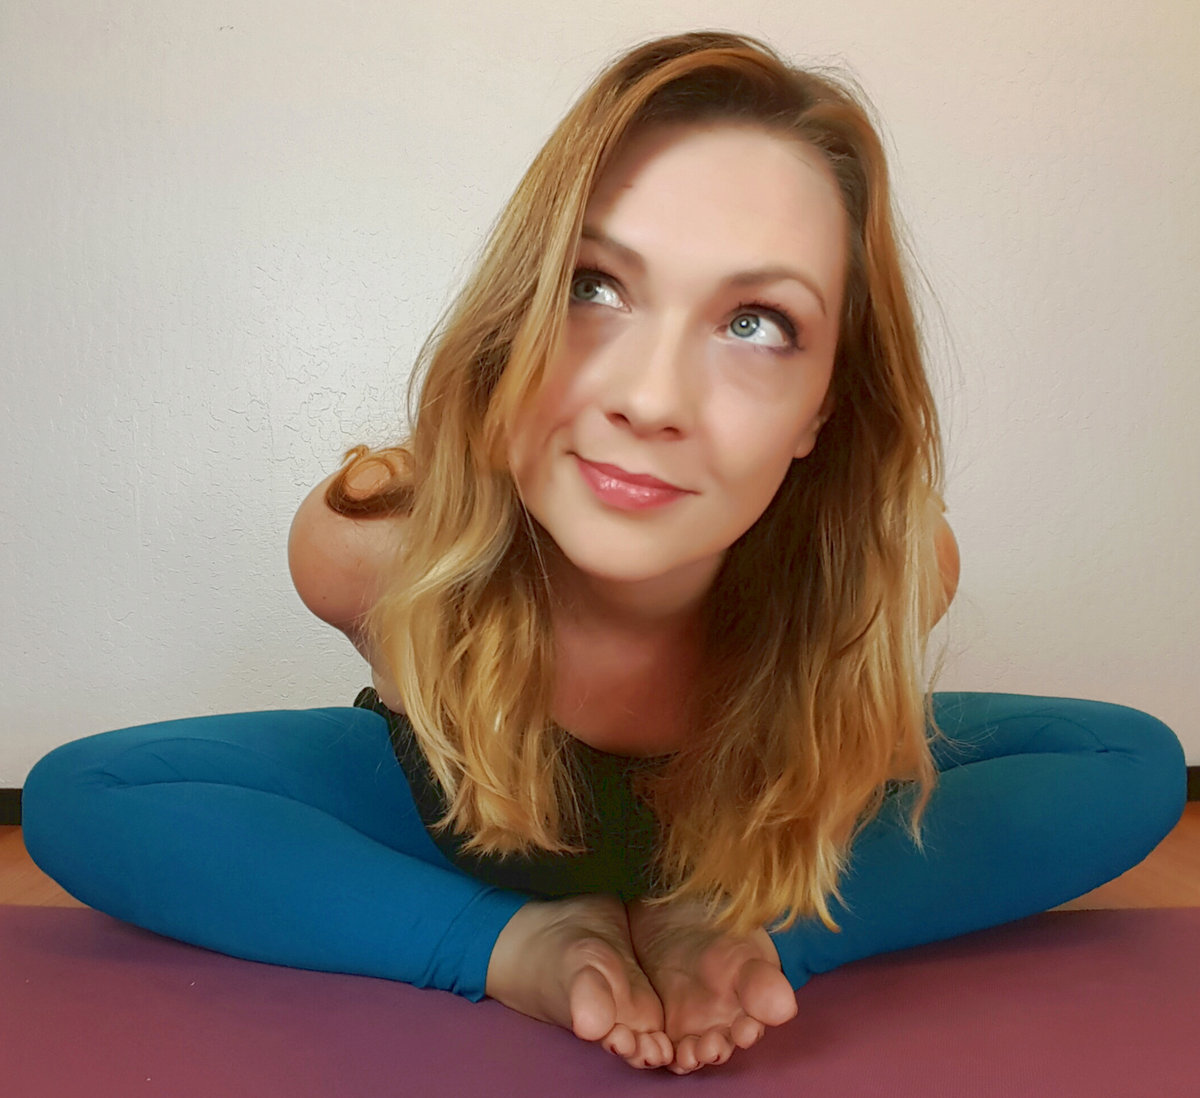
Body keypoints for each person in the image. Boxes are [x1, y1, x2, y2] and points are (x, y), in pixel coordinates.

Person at [22, 31, 1185, 1075]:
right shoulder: (371, 551)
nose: (652, 398)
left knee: (1128, 760)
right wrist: (497, 946)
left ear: (824, 409)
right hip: (458, 839)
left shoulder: (891, 570)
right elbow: (104, 800)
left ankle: (722, 924)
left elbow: (1106, 762)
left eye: (756, 324)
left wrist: (761, 927)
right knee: (85, 797)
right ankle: (528, 932)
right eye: (595, 286)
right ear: (512, 321)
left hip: (738, 862)